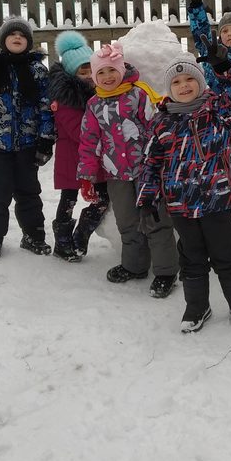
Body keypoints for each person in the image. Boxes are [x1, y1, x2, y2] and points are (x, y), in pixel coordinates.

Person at [137, 36, 231, 333]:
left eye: (191, 79)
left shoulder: (219, 113)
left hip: (216, 201)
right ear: (170, 89)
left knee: (227, 255)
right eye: (177, 82)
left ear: (201, 83)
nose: (184, 85)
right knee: (191, 258)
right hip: (181, 205)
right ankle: (197, 306)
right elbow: (151, 162)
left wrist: (224, 67)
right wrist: (148, 198)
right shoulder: (162, 123)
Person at [77, 41, 179, 298]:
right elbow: (89, 141)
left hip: (147, 171)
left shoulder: (138, 95)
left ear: (121, 71)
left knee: (155, 220)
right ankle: (134, 266)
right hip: (116, 173)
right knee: (127, 222)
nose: (108, 77)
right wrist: (87, 176)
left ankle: (166, 272)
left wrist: (161, 161)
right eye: (101, 72)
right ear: (95, 76)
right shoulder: (94, 105)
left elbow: (155, 128)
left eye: (112, 70)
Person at [0, 16, 55, 262]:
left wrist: (46, 141)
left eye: (23, 35)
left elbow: (46, 108)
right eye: (12, 34)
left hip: (28, 145)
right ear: (2, 41)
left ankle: (33, 236)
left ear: (29, 42)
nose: (17, 37)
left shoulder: (38, 71)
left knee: (29, 192)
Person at [48, 30, 109, 263]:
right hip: (72, 159)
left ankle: (81, 235)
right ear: (71, 73)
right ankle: (62, 243)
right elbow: (79, 132)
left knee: (103, 200)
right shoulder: (65, 98)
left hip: (95, 158)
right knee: (69, 200)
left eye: (89, 69)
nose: (87, 75)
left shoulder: (98, 92)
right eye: (81, 71)